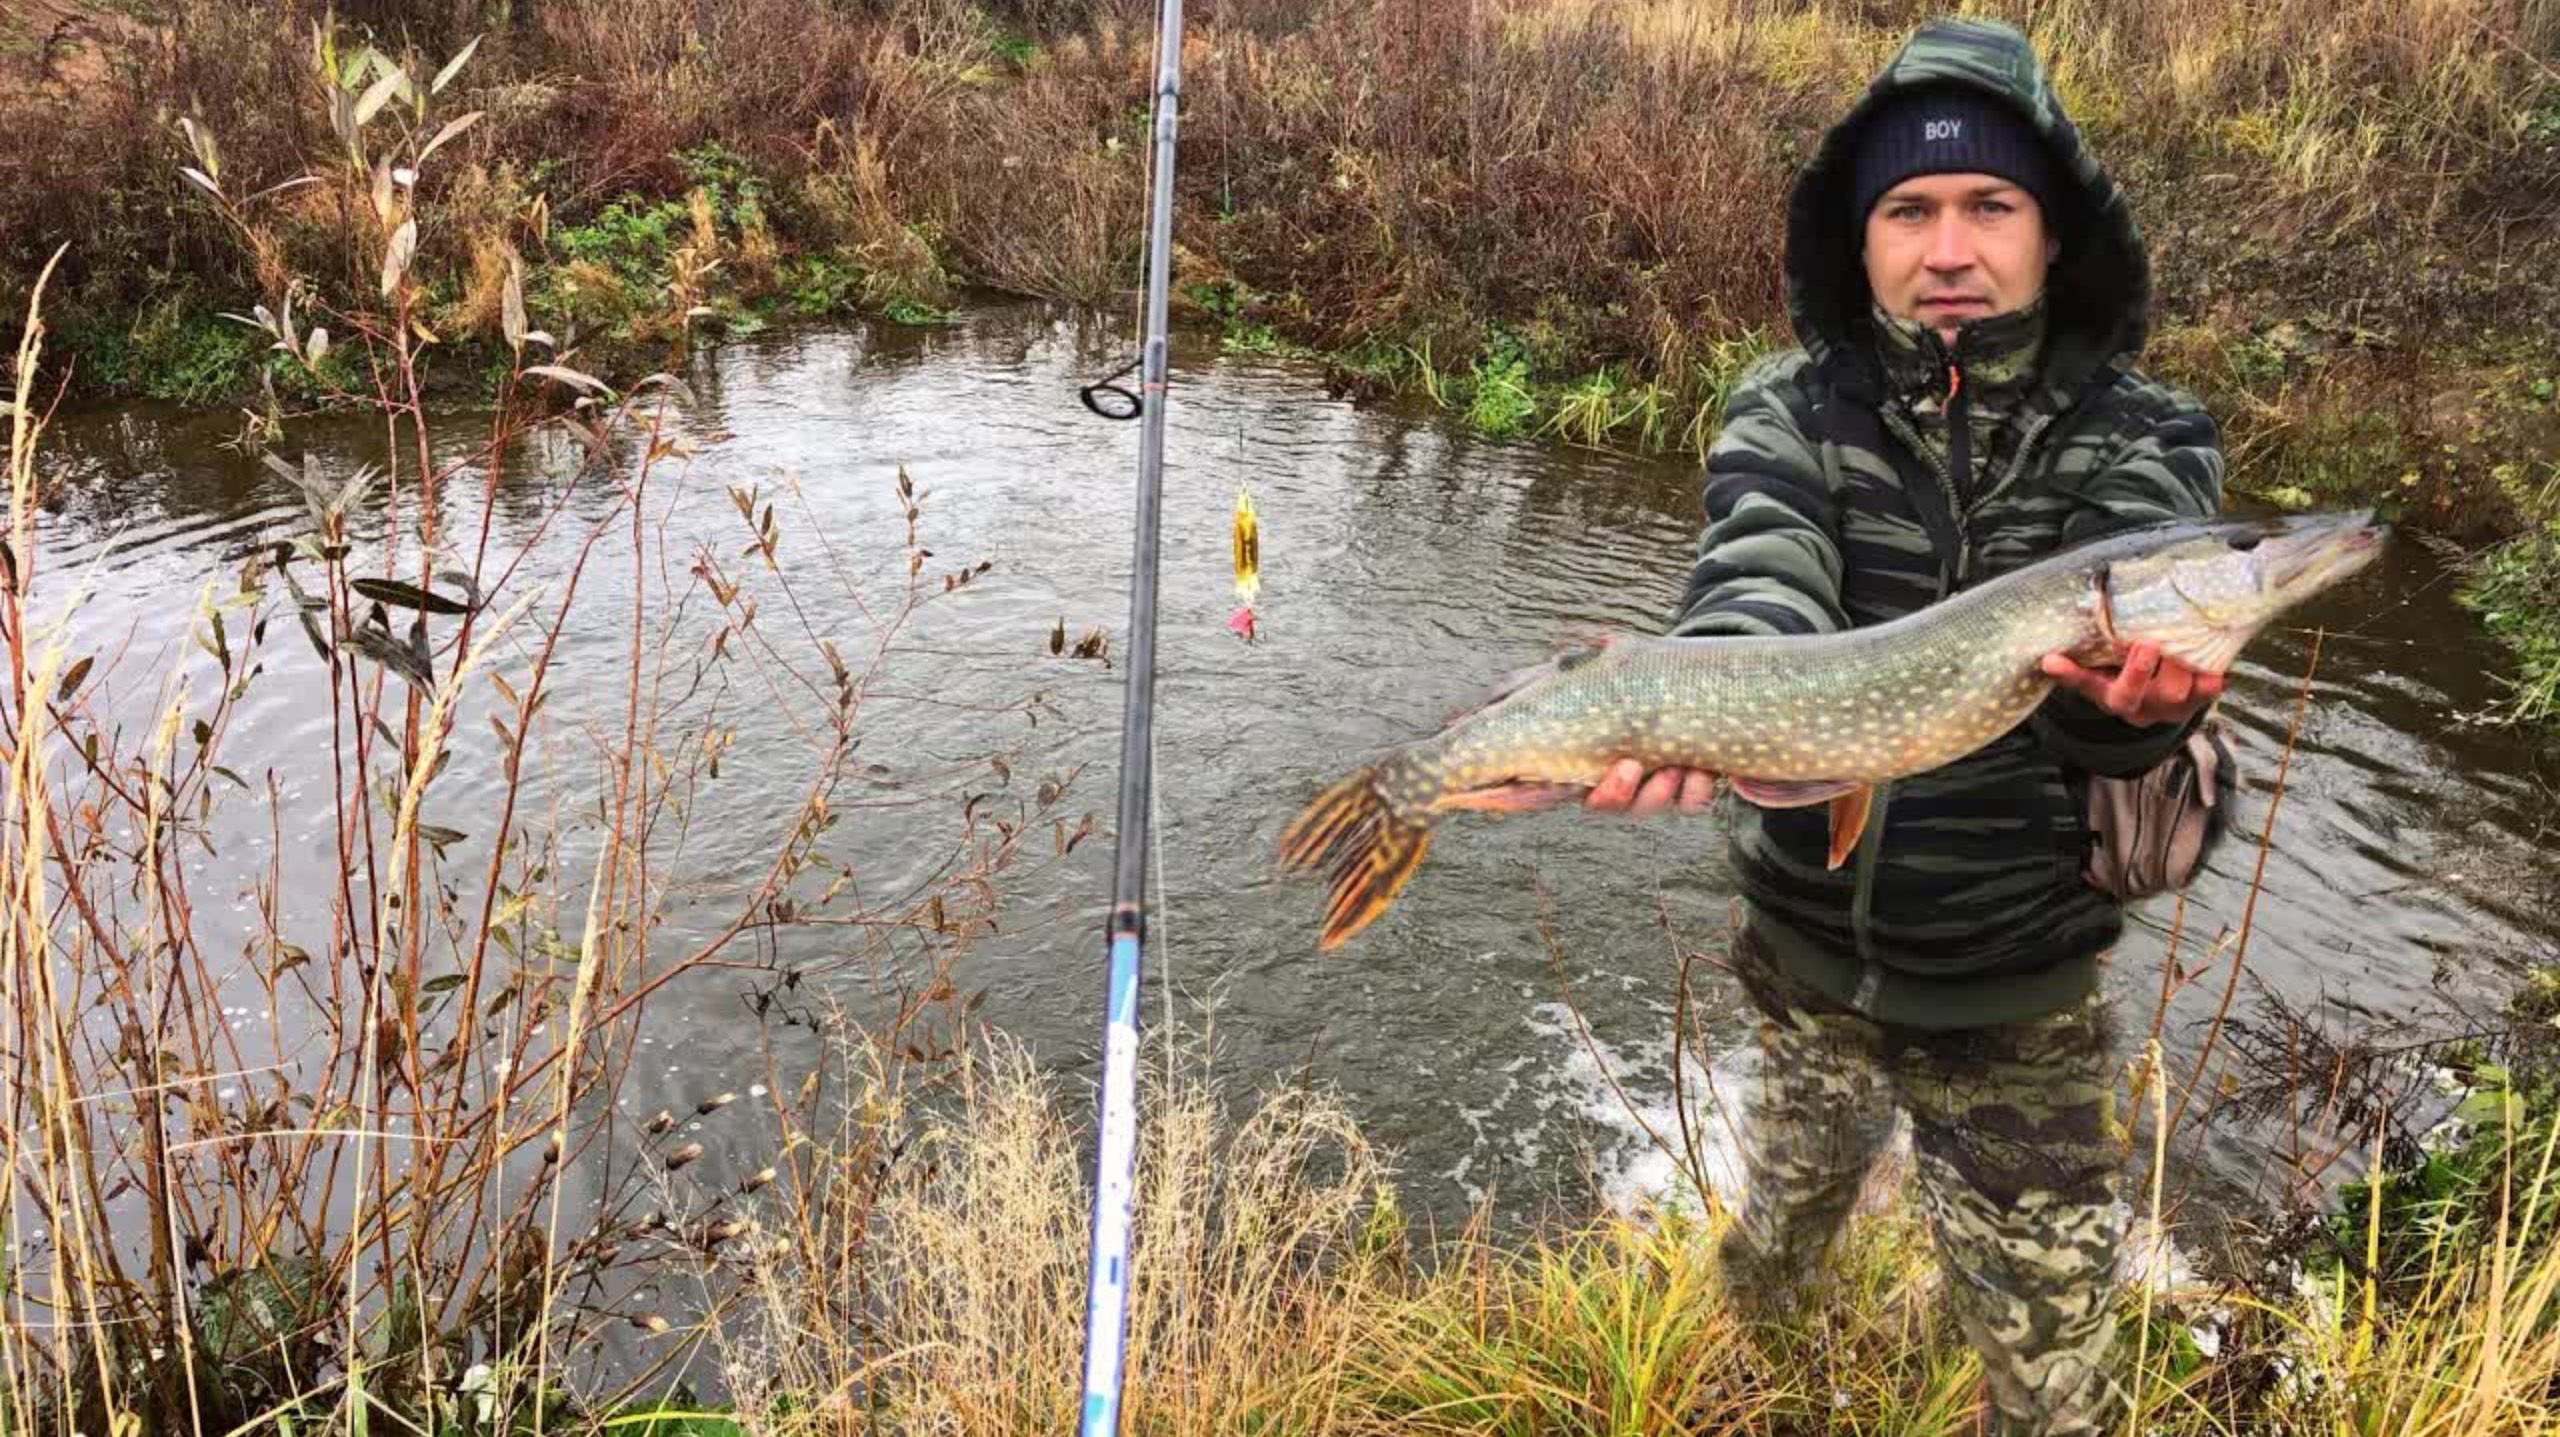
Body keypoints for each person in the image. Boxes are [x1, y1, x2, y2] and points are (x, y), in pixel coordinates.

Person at [1586, 17, 2224, 1436]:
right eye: (1910, 209)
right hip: (1807, 962)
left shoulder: (2142, 440)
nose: (1950, 247)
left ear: (2052, 236)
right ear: (1860, 240)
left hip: (2022, 1002)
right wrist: (1709, 689)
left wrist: (2132, 727)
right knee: (1767, 1264)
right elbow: (1759, 576)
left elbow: (2139, 649)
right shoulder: (1791, 408)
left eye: (1991, 205)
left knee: (2055, 1390)